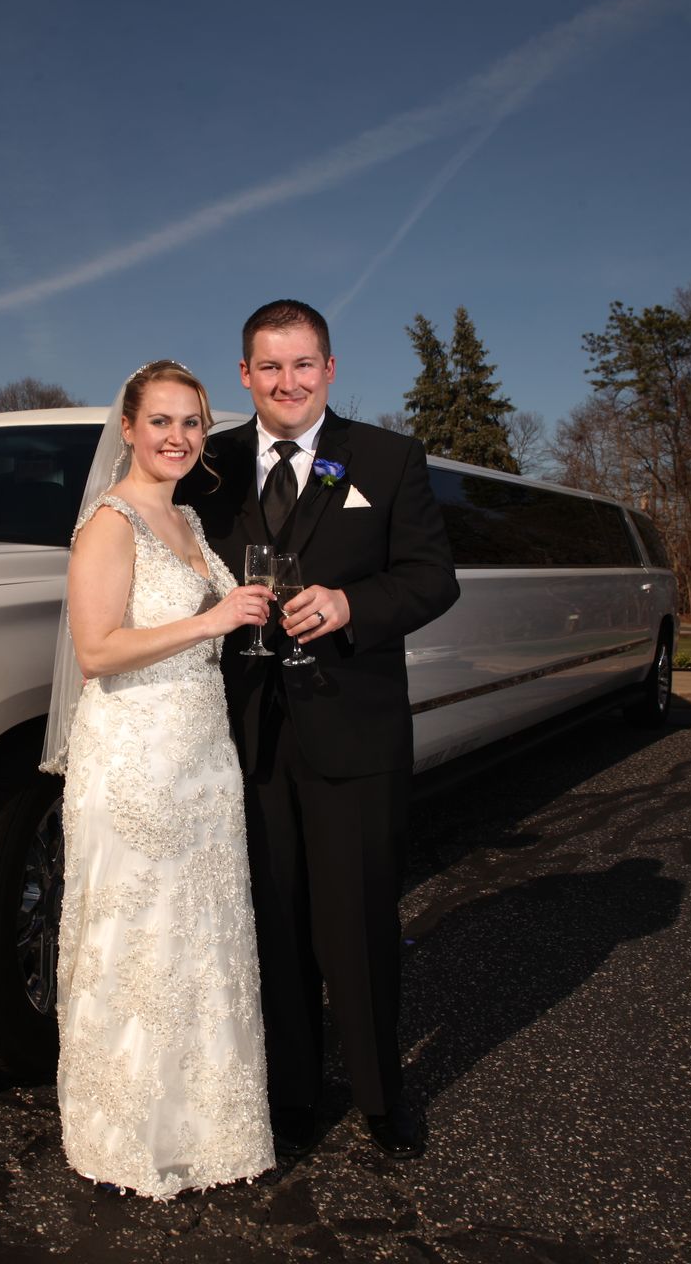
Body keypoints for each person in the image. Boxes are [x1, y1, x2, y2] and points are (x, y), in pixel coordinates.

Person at [185, 300, 459, 1161]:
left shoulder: (385, 457)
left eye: (303, 365)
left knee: (360, 922)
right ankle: (292, 1093)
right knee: (272, 921)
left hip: (355, 730)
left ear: (330, 370)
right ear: (244, 376)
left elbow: (431, 578)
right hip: (245, 736)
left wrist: (351, 605)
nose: (287, 382)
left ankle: (382, 1096)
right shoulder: (210, 465)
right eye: (269, 367)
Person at [41, 360, 277, 1198]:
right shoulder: (110, 523)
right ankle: (128, 1132)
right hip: (136, 763)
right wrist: (212, 617)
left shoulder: (186, 521)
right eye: (162, 422)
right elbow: (96, 651)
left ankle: (207, 1124)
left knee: (199, 936)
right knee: (137, 940)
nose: (178, 437)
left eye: (193, 423)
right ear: (131, 429)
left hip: (200, 758)